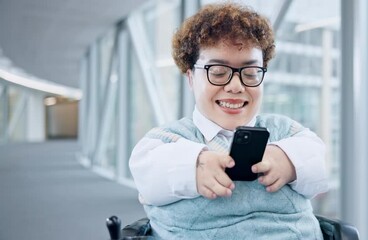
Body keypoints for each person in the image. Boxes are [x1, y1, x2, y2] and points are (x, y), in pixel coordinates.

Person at [129, 2, 328, 239]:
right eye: (218, 72)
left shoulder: (286, 131)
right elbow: (148, 175)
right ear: (191, 77)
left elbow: (319, 169)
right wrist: (194, 164)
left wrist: (290, 160)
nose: (236, 86)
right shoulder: (166, 140)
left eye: (251, 73)